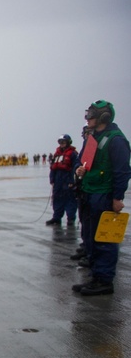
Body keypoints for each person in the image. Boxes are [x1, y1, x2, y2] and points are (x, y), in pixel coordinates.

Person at [71, 100, 129, 296]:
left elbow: (122, 171)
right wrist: (79, 169)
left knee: (104, 239)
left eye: (91, 115)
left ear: (103, 117)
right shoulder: (92, 138)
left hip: (103, 195)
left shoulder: (116, 140)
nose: (87, 119)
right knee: (89, 238)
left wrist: (117, 197)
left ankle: (104, 280)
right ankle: (95, 276)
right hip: (88, 192)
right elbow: (82, 160)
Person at [46, 134, 78, 225]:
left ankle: (71, 219)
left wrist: (72, 181)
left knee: (70, 200)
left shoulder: (73, 154)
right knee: (57, 199)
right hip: (58, 181)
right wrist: (52, 180)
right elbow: (53, 168)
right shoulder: (57, 154)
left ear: (68, 142)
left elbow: (75, 168)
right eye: (60, 142)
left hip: (67, 180)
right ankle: (56, 217)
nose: (62, 144)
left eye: (64, 142)